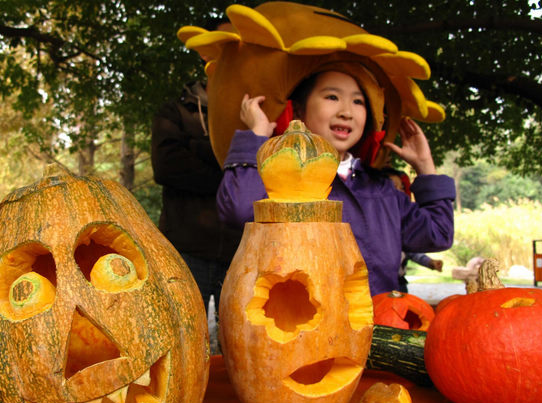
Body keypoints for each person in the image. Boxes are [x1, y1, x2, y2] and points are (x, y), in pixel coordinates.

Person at [216, 69, 455, 296]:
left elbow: (437, 234)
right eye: (332, 96)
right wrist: (257, 134)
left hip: (381, 329)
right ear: (298, 111)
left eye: (358, 102)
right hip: (308, 331)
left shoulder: (382, 190)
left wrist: (426, 167)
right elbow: (239, 210)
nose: (346, 112)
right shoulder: (284, 183)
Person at [151, 21, 243, 318]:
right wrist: (231, 175)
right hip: (185, 250)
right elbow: (167, 167)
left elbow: (264, 173)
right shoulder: (175, 111)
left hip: (240, 253)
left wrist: (195, 148)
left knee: (244, 343)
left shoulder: (256, 117)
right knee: (182, 336)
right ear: (206, 54)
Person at [382, 166, 445, 292]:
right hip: (376, 284)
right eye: (393, 188)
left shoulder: (401, 222)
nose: (399, 193)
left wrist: (429, 262)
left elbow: (410, 251)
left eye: (402, 188)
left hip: (398, 283)